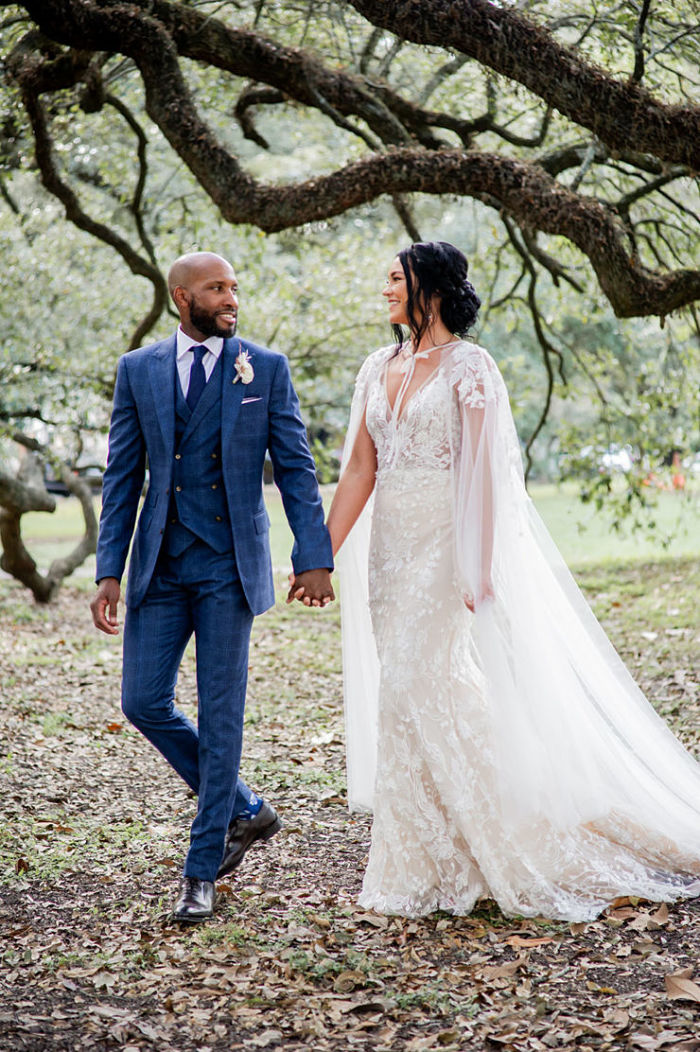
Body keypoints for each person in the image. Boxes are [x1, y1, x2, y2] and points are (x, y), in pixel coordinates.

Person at [324, 240, 700, 922]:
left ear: (430, 288)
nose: (384, 291)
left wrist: (479, 562)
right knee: (407, 697)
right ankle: (426, 861)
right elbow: (358, 469)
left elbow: (484, 474)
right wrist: (317, 554)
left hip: (446, 546)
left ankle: (507, 838)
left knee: (417, 680)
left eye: (394, 279)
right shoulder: (376, 366)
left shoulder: (472, 367)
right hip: (389, 553)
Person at [90, 251, 334, 924]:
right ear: (181, 297)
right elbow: (121, 481)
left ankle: (200, 875)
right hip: (160, 567)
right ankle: (246, 809)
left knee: (222, 720)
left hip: (229, 568)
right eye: (216, 288)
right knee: (142, 701)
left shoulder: (266, 368)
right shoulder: (138, 371)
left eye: (234, 286)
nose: (232, 297)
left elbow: (296, 468)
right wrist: (109, 569)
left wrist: (314, 555)